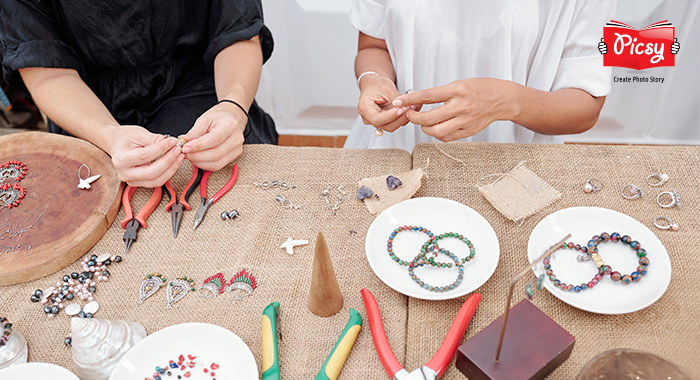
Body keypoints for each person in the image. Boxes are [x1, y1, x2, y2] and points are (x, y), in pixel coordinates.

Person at [0, 0, 278, 187]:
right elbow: (48, 71)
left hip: (204, 92)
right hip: (87, 112)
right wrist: (110, 135)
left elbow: (238, 30)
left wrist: (233, 105)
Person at [345, 0, 615, 152]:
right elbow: (374, 45)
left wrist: (510, 101)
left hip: (517, 162)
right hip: (398, 150)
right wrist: (372, 79)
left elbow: (586, 104)